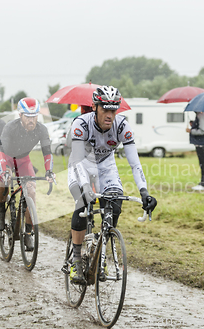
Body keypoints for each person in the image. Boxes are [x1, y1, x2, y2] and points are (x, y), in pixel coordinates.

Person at [68, 86, 157, 284]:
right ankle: (76, 260)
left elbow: (135, 163)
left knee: (115, 202)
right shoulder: (81, 124)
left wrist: (144, 192)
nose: (109, 115)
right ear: (95, 107)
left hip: (105, 166)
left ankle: (100, 250)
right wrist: (84, 187)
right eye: (105, 109)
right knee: (82, 203)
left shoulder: (122, 126)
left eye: (113, 110)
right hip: (81, 164)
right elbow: (77, 160)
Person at [0, 98, 56, 250]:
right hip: (6, 158)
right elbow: (1, 151)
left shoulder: (41, 129)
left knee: (32, 191)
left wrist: (49, 171)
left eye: (34, 116)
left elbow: (47, 152)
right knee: (5, 180)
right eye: (28, 116)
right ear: (20, 115)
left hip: (23, 160)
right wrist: (4, 171)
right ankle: (1, 209)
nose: (31, 120)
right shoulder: (11, 127)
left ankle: (28, 233)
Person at [186, 111, 204, 191]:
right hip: (201, 143)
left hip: (201, 143)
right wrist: (194, 125)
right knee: (203, 163)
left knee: (203, 163)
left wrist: (191, 131)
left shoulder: (201, 116)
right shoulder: (202, 116)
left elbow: (203, 130)